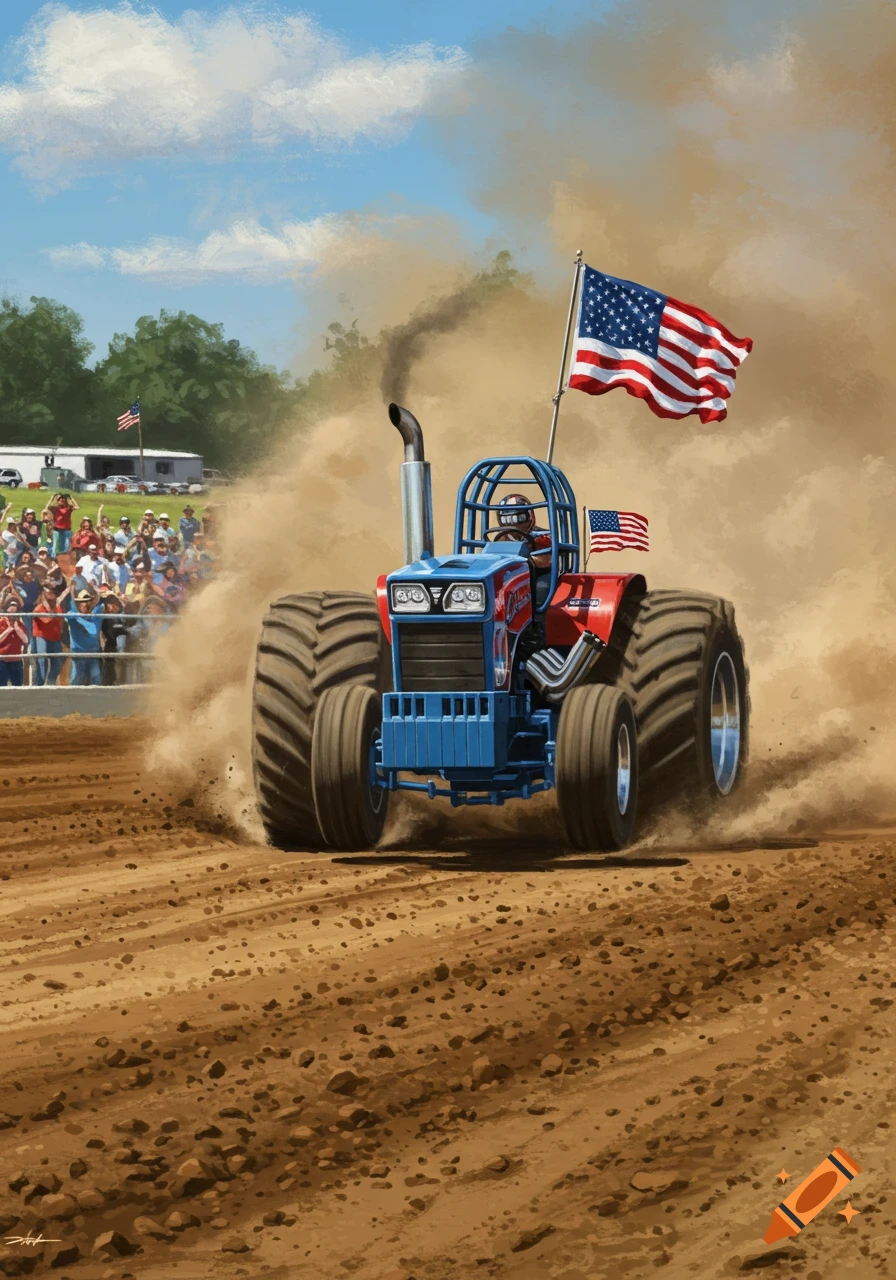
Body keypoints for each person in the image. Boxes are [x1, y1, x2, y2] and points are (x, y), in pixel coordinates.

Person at [491, 493, 553, 569]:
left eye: (519, 518)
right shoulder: (501, 538)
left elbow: (544, 562)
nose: (513, 524)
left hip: (537, 576)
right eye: (506, 520)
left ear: (529, 517)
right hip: (509, 576)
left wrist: (520, 559)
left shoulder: (542, 536)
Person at [66, 589, 104, 686]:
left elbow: (93, 630)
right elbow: (67, 617)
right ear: (78, 604)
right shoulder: (72, 616)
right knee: (76, 680)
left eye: (88, 601)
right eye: (83, 602)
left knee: (96, 679)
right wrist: (79, 617)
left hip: (93, 653)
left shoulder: (95, 615)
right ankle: (71, 700)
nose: (86, 604)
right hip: (78, 654)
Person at [32, 585, 65, 686]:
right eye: (48, 592)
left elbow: (59, 621)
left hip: (55, 638)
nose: (51, 594)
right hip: (42, 637)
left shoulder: (58, 607)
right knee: (42, 661)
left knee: (58, 664)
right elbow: (46, 620)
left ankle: (50, 682)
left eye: (52, 592)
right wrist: (47, 606)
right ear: (43, 595)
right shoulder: (38, 608)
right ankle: (39, 686)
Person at [0, 598, 28, 687]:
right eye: (10, 607)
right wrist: (8, 630)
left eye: (15, 608)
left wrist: (17, 630)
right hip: (2, 659)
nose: (12, 609)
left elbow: (26, 640)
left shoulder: (20, 624)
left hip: (16, 660)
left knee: (18, 685)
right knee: (2, 685)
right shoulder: (1, 622)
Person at [44, 492, 79, 556]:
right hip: (57, 530)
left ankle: (64, 561)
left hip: (67, 530)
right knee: (55, 547)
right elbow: (46, 508)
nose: (61, 501)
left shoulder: (68, 508)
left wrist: (71, 498)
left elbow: (77, 507)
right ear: (57, 501)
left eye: (63, 500)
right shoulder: (55, 508)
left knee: (66, 547)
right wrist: (52, 498)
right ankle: (54, 559)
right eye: (59, 500)